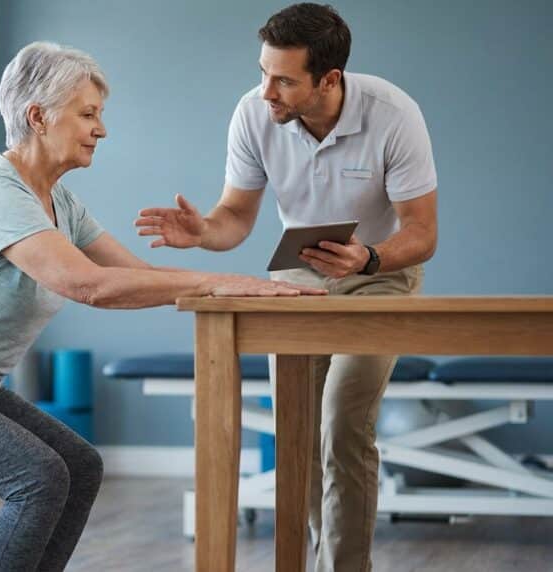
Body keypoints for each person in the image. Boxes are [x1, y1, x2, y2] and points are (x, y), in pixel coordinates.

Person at [0, 41, 324, 572]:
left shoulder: (58, 199)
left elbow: (132, 275)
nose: (101, 129)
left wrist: (237, 286)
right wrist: (214, 282)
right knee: (39, 477)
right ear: (38, 117)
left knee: (79, 466)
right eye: (88, 114)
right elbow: (88, 286)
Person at [135, 4, 438, 571]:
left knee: (343, 421)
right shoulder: (254, 113)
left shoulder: (394, 114)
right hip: (297, 276)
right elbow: (235, 217)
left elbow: (421, 233)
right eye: (262, 72)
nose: (265, 90)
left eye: (283, 79)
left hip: (380, 276)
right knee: (297, 429)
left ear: (329, 79)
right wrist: (202, 232)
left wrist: (370, 256)